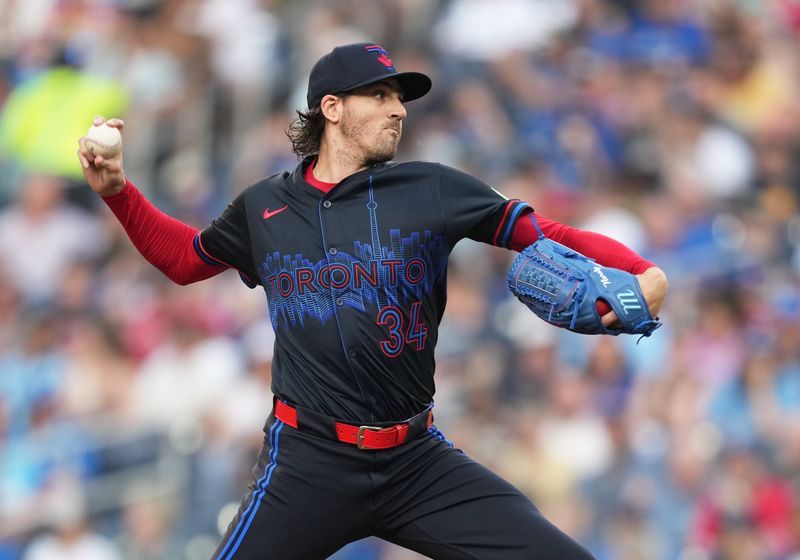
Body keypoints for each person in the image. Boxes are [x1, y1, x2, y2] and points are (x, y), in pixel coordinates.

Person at [77, 43, 668, 560]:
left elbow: (548, 234)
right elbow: (186, 259)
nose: (398, 109)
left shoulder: (432, 188)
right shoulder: (264, 209)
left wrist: (641, 272)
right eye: (380, 95)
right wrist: (120, 194)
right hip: (308, 461)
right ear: (331, 108)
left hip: (416, 460)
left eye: (399, 97)